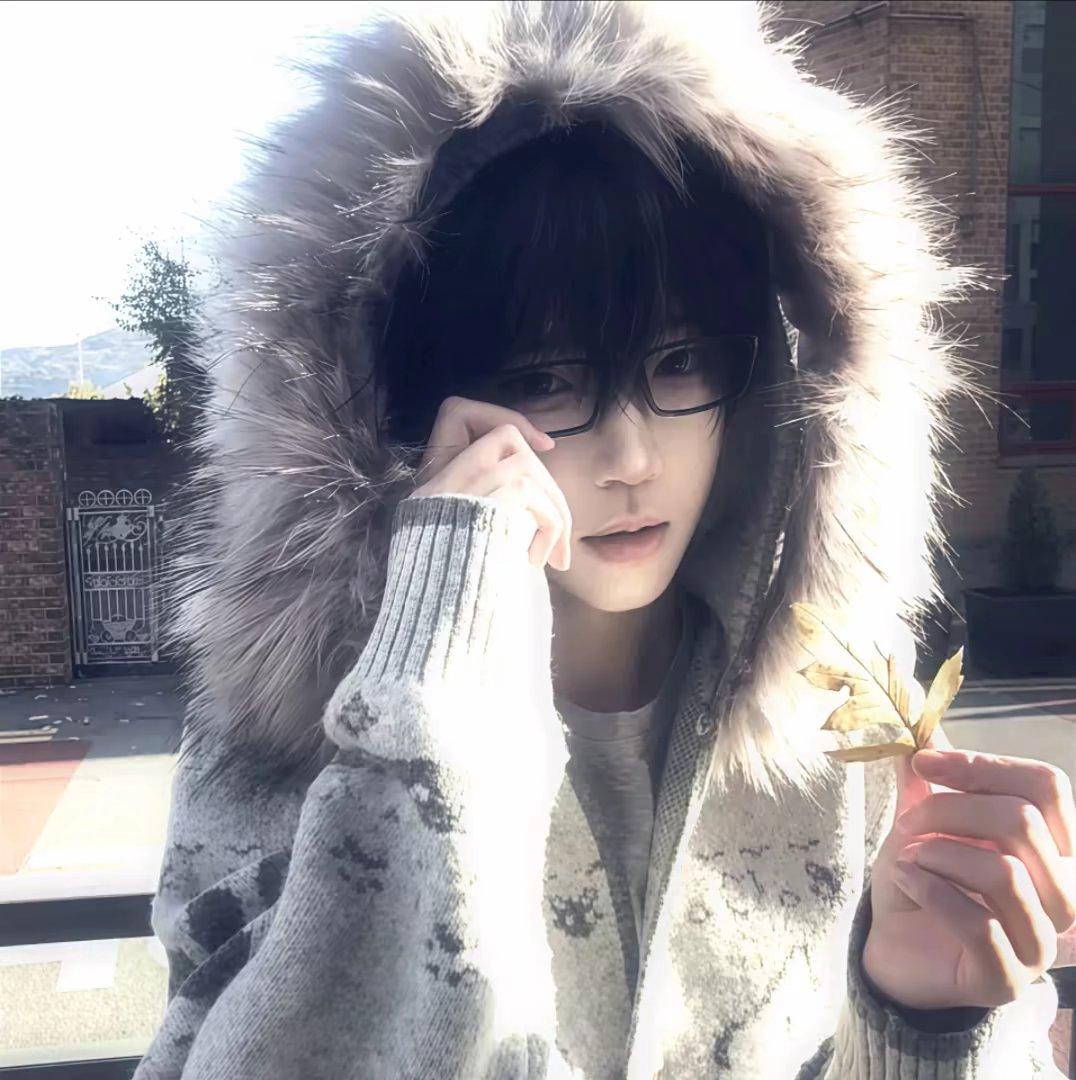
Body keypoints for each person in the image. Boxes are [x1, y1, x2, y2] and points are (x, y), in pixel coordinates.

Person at [135, 3, 1074, 1078]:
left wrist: (927, 1027)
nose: (630, 457)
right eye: (545, 379)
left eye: (678, 363)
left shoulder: (838, 714)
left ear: (756, 379)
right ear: (402, 410)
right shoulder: (291, 730)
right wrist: (424, 713)